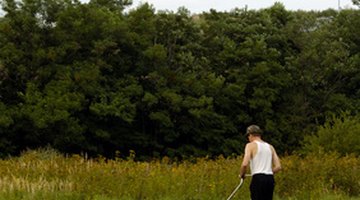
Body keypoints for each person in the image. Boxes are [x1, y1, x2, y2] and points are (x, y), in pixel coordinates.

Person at [239, 125, 281, 200]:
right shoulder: (270, 146)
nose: (248, 138)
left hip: (258, 179)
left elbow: (245, 164)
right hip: (270, 179)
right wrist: (267, 171)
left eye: (248, 136)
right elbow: (278, 167)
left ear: (250, 135)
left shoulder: (250, 145)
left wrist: (242, 174)